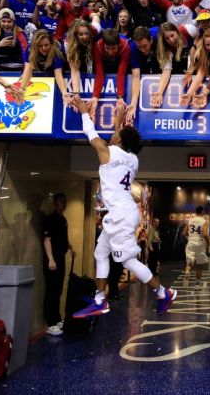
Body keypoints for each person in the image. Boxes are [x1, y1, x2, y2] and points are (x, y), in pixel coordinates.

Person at [71, 96, 177, 318]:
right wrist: (119, 119)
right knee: (100, 252)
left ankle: (162, 292)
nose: (113, 135)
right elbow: (117, 136)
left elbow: (91, 133)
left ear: (118, 141)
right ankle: (100, 299)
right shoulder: (132, 159)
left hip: (120, 213)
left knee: (128, 260)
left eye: (115, 134)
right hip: (124, 211)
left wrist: (83, 110)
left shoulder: (107, 151)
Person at [42, 192, 76, 336]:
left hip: (61, 258)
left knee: (58, 289)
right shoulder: (50, 219)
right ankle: (50, 323)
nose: (64, 204)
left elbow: (62, 237)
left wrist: (69, 247)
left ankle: (56, 319)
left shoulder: (63, 219)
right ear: (55, 203)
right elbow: (47, 240)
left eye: (65, 202)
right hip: (52, 259)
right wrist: (50, 259)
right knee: (52, 290)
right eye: (61, 202)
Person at [183, 206, 210, 289]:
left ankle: (187, 271)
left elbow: (184, 233)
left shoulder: (190, 221)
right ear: (202, 212)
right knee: (199, 265)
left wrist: (191, 236)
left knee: (189, 262)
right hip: (200, 244)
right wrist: (208, 242)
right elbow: (205, 234)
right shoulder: (204, 221)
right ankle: (197, 285)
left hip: (191, 243)